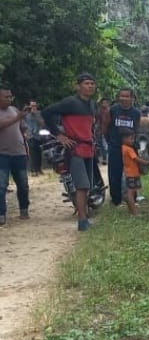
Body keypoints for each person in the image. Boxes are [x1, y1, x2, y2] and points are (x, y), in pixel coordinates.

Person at [41, 73, 98, 231]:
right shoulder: (70, 102)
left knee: (87, 187)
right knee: (82, 185)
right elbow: (46, 112)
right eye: (87, 83)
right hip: (75, 149)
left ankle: (84, 216)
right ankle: (82, 221)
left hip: (88, 148)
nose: (90, 86)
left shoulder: (92, 104)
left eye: (92, 83)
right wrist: (59, 135)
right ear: (78, 86)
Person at [102, 88, 140, 207]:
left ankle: (132, 198)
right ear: (118, 97)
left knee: (132, 173)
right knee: (115, 174)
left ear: (132, 98)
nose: (124, 98)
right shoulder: (113, 110)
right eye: (122, 96)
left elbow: (136, 129)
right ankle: (116, 200)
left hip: (130, 148)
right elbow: (105, 127)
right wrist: (110, 142)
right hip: (115, 147)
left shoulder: (136, 113)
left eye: (127, 96)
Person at [0, 86, 30, 225]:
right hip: (2, 154)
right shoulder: (12, 113)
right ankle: (1, 214)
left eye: (10, 96)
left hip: (19, 152)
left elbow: (21, 126)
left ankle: (24, 209)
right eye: (6, 96)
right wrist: (17, 117)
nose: (9, 99)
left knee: (23, 184)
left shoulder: (14, 110)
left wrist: (23, 122)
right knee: (1, 185)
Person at [120, 130, 149, 216]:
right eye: (131, 139)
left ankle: (131, 209)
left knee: (131, 192)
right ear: (124, 139)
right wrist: (147, 162)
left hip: (129, 173)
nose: (133, 141)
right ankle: (134, 212)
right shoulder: (129, 149)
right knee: (130, 193)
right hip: (131, 174)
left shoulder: (123, 148)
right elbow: (136, 159)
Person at [24, 100, 45, 175]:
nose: (33, 107)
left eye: (34, 106)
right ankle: (33, 170)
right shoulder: (26, 114)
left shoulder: (39, 113)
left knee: (39, 153)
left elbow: (42, 124)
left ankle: (39, 169)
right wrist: (25, 133)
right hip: (30, 136)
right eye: (31, 106)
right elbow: (22, 124)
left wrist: (36, 115)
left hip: (38, 136)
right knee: (32, 153)